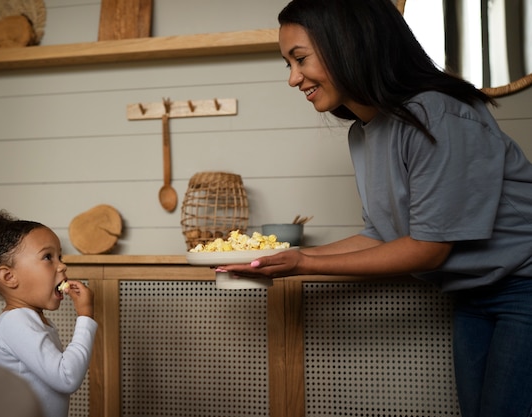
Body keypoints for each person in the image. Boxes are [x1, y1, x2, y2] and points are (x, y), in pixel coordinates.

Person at [219, 1, 532, 416]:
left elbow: (427, 248)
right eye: (287, 64)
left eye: (300, 59)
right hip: (472, 295)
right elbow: (379, 234)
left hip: (524, 287)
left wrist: (302, 264)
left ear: (348, 44)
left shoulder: (437, 114)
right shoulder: (364, 133)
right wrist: (273, 259)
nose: (293, 79)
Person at [0, 208, 97, 417]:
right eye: (47, 257)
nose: (62, 265)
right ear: (9, 277)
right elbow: (66, 377)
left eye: (59, 256)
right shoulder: (16, 322)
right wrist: (85, 316)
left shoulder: (32, 319)